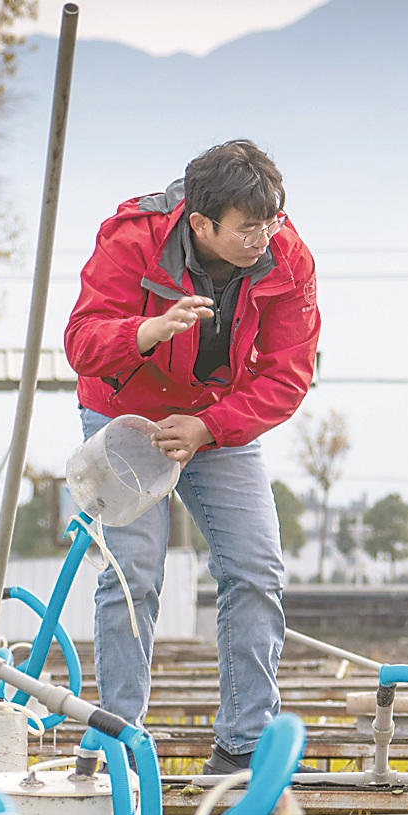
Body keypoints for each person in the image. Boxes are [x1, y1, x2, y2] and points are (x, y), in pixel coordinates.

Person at [64, 139, 320, 775]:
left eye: (271, 220)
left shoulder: (288, 258)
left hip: (216, 420)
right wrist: (146, 332)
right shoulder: (133, 239)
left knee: (256, 567)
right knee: (134, 573)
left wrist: (209, 426)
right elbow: (81, 342)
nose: (262, 237)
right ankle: (120, 739)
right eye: (247, 226)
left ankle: (242, 746)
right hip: (125, 416)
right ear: (200, 223)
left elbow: (289, 375)